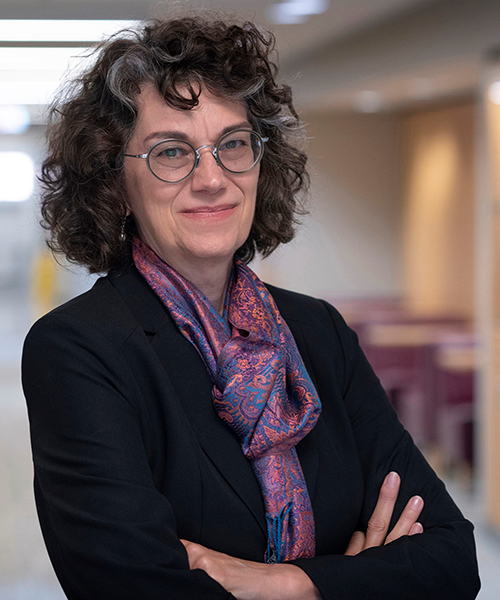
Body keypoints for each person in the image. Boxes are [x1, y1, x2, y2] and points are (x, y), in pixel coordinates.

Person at [22, 14, 480, 600]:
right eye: (170, 151)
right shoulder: (79, 350)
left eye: (233, 144)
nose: (211, 178)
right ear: (115, 184)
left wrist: (283, 584)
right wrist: (356, 581)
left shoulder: (318, 331)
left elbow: (452, 558)